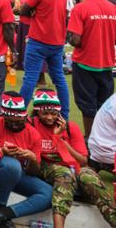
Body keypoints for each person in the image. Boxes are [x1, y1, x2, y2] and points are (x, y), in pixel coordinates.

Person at [31, 87, 116, 228]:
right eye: (45, 113)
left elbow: (83, 161)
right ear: (37, 111)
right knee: (64, 174)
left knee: (88, 174)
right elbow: (35, 157)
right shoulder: (31, 125)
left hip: (72, 167)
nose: (50, 117)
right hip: (44, 166)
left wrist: (61, 141)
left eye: (53, 113)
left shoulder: (71, 127)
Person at [0, 92, 52, 228]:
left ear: (26, 117)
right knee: (12, 165)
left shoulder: (33, 134)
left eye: (19, 122)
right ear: (3, 117)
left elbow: (33, 172)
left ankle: (2, 214)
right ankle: (0, 205)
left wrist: (32, 158)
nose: (15, 126)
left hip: (19, 175)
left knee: (49, 194)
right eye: (10, 122)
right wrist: (0, 152)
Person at [67, 0, 116, 139]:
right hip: (107, 64)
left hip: (85, 64)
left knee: (87, 106)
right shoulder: (112, 8)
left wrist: (71, 36)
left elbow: (76, 40)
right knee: (104, 106)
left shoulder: (80, 9)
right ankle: (104, 139)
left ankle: (89, 140)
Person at [19, 0, 71, 118]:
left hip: (38, 41)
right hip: (57, 43)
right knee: (59, 79)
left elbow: (24, 10)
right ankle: (65, 115)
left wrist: (32, 12)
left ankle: (19, 113)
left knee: (30, 79)